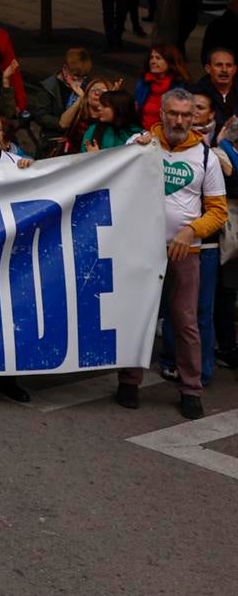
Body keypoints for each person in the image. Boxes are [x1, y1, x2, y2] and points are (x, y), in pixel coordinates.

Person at [119, 90, 228, 419]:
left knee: (185, 321)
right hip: (142, 249)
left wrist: (191, 230)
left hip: (186, 251)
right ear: (161, 114)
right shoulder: (139, 145)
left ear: (194, 117)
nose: (179, 120)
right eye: (173, 114)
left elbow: (218, 211)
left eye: (186, 114)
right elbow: (116, 186)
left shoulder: (206, 157)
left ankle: (191, 388)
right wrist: (131, 157)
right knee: (138, 316)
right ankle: (128, 382)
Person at [134, 44, 192, 130]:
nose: (153, 61)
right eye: (151, 58)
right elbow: (135, 111)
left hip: (169, 134)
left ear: (170, 62)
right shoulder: (143, 83)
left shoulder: (181, 86)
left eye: (158, 58)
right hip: (142, 132)